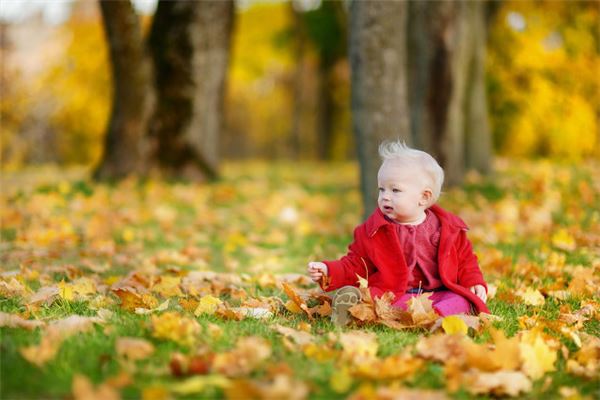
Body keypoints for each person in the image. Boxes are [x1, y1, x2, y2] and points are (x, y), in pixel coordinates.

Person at [307, 140, 489, 326]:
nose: (385, 196)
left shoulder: (448, 229)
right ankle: (352, 307)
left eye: (395, 190)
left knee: (462, 300)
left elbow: (466, 260)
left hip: (437, 294)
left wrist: (474, 281)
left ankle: (439, 319)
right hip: (394, 294)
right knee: (374, 301)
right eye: (382, 189)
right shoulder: (373, 231)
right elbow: (356, 264)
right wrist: (329, 270)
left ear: (424, 197)